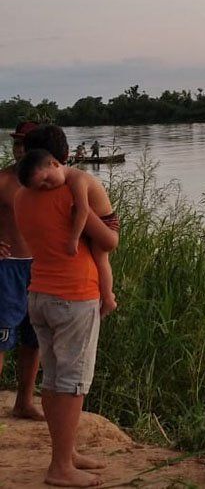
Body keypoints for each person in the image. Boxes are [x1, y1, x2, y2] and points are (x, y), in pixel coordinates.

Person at [14, 145, 119, 487]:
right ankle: (60, 466)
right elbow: (108, 240)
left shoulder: (21, 198)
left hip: (40, 294)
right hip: (73, 297)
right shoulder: (68, 197)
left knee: (54, 377)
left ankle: (67, 452)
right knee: (73, 383)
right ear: (56, 160)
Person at [17, 149, 118, 318]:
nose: (47, 187)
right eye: (41, 187)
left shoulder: (78, 179)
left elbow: (83, 210)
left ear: (55, 164)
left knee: (101, 258)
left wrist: (74, 238)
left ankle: (108, 298)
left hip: (105, 221)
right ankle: (107, 297)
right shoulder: (62, 184)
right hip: (92, 223)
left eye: (47, 181)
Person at [0, 121, 43, 421]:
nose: (19, 149)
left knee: (34, 338)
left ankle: (24, 402)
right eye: (16, 143)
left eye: (25, 144)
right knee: (1, 336)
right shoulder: (3, 181)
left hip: (40, 268)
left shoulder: (49, 183)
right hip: (7, 269)